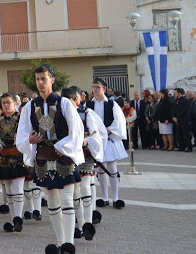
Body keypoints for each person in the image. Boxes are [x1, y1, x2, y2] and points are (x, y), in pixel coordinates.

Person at [16, 66, 83, 254]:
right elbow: (22, 133)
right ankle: (61, 242)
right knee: (52, 203)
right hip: (43, 160)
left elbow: (77, 131)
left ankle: (69, 245)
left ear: (52, 80)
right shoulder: (29, 106)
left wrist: (62, 147)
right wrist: (29, 140)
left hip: (63, 159)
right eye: (37, 79)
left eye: (43, 78)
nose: (40, 82)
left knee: (67, 200)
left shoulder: (65, 103)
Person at [63, 87, 106, 242]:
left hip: (85, 155)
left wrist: (86, 141)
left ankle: (88, 224)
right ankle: (81, 224)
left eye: (71, 101)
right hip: (69, 157)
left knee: (85, 186)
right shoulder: (60, 115)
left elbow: (97, 136)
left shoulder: (87, 114)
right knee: (74, 192)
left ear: (77, 100)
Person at [86, 78, 127, 210]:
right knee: (100, 169)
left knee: (113, 168)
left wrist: (107, 131)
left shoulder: (111, 104)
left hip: (109, 139)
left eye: (98, 87)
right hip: (96, 140)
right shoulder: (88, 105)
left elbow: (118, 121)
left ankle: (115, 197)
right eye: (93, 87)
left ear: (104, 88)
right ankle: (104, 198)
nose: (95, 89)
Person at [0, 94, 29, 233]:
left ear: (15, 103)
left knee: (18, 188)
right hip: (3, 155)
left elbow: (29, 132)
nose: (6, 105)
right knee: (8, 190)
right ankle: (13, 218)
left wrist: (21, 136)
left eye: (9, 102)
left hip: (18, 154)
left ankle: (18, 218)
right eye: (4, 102)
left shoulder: (21, 118)